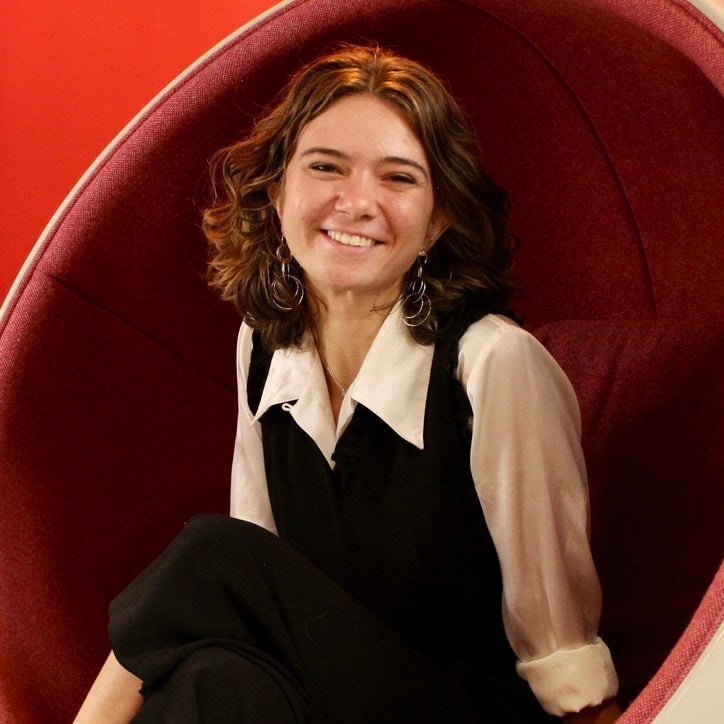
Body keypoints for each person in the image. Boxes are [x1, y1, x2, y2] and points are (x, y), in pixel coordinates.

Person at [75, 45, 620, 723]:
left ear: (438, 220)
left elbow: (560, 647)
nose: (357, 202)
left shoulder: (491, 363)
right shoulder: (263, 346)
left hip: (464, 710)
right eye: (325, 167)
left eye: (398, 179)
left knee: (212, 558)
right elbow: (255, 591)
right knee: (216, 678)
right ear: (277, 193)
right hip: (325, 697)